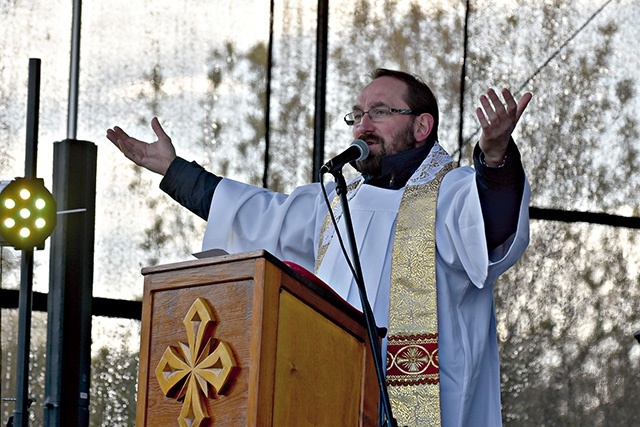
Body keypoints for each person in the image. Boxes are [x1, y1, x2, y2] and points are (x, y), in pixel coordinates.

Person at [107, 68, 532, 426]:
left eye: (380, 112)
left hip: (423, 403)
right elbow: (254, 215)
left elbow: (492, 229)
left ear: (422, 126)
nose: (364, 124)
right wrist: (173, 170)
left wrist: (495, 160)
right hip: (334, 396)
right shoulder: (333, 203)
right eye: (358, 114)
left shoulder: (452, 194)